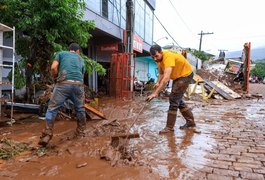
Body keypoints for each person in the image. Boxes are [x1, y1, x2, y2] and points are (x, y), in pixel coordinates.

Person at [38, 43, 86, 147]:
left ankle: (47, 135)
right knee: (80, 109)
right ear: (77, 51)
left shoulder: (61, 54)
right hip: (78, 85)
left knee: (52, 109)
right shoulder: (81, 59)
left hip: (63, 84)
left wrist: (55, 77)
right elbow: (82, 77)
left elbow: (53, 67)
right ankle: (80, 134)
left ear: (70, 50)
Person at [146, 44, 195, 134]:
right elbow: (161, 73)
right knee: (177, 100)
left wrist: (155, 93)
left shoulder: (168, 57)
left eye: (156, 56)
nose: (155, 59)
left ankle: (169, 128)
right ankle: (190, 122)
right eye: (153, 57)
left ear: (161, 52)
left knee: (173, 99)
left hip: (186, 75)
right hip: (178, 77)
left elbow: (166, 79)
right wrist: (157, 82)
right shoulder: (158, 60)